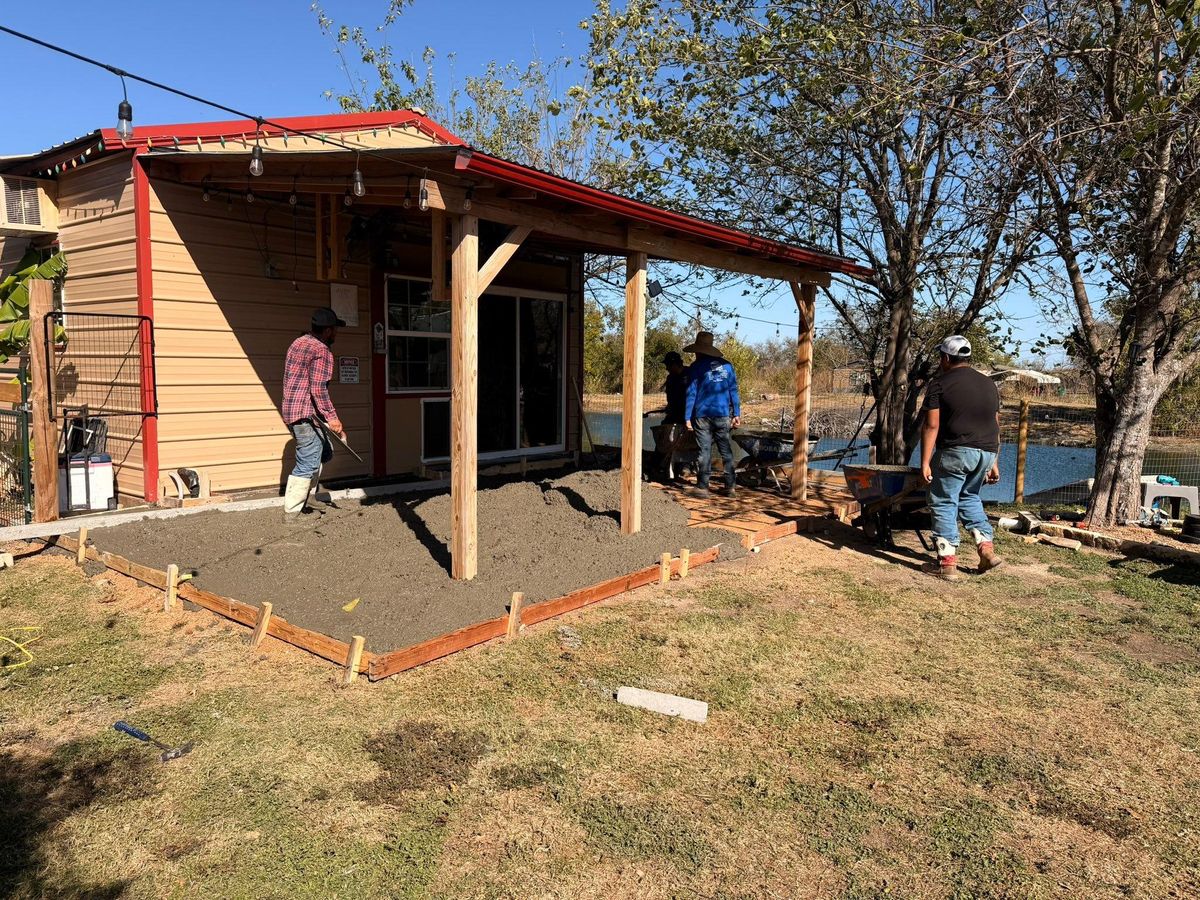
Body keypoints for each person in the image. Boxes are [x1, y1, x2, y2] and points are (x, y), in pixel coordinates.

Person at [920, 334, 1003, 580]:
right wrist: (994, 461)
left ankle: (947, 563)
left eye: (940, 356)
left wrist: (924, 462)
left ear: (946, 357)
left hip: (957, 452)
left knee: (944, 501)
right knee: (969, 496)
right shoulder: (989, 384)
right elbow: (995, 424)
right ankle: (986, 550)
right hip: (986, 452)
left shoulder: (939, 384)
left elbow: (931, 426)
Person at [281, 307, 346, 522]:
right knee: (308, 461)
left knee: (324, 452)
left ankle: (308, 495)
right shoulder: (321, 351)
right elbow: (318, 388)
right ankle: (292, 513)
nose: (336, 333)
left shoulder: (297, 343)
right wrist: (332, 417)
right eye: (335, 329)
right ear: (328, 331)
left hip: (294, 410)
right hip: (306, 413)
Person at [683, 331, 741, 497]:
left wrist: (687, 417)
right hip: (723, 414)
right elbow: (733, 391)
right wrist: (736, 413)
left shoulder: (696, 367)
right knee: (725, 450)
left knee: (705, 450)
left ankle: (702, 487)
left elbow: (691, 393)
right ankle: (730, 487)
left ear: (698, 351)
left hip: (702, 415)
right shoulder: (727, 366)